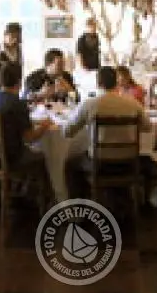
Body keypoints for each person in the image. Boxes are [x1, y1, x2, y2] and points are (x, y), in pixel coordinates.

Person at [63, 66, 151, 198]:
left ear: (98, 83)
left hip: (99, 163)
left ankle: (83, 206)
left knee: (70, 164)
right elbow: (148, 127)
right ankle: (122, 201)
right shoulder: (132, 103)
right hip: (128, 161)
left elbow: (67, 132)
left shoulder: (90, 104)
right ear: (116, 82)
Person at [0, 62, 52, 173]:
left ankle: (10, 184)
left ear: (0, 80)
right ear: (19, 82)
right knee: (42, 157)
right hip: (9, 159)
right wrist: (44, 126)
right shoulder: (17, 103)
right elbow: (29, 138)